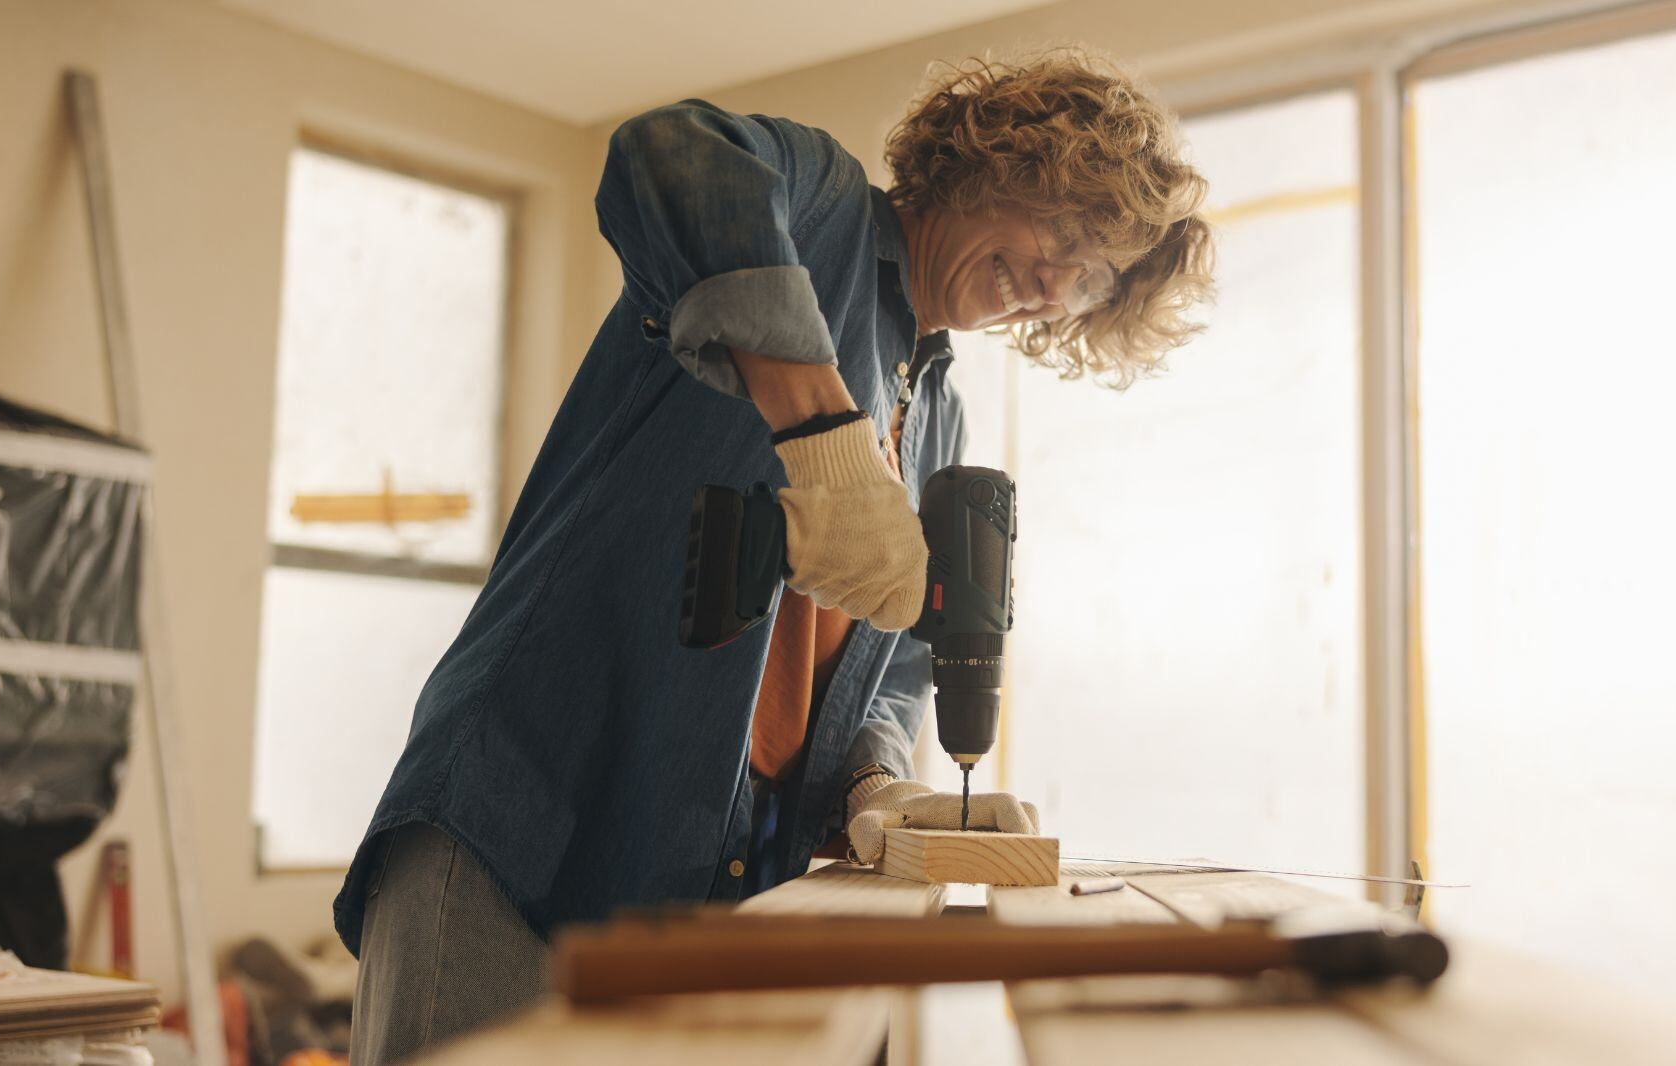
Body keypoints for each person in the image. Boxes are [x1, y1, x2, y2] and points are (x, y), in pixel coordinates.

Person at [336, 47, 1214, 1064]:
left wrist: (879, 785)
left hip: (696, 887)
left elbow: (897, 668)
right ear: (988, 165)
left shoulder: (936, 412)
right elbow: (667, 154)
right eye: (1060, 231)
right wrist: (825, 440)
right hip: (525, 823)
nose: (1056, 281)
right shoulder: (825, 213)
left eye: (1091, 277)